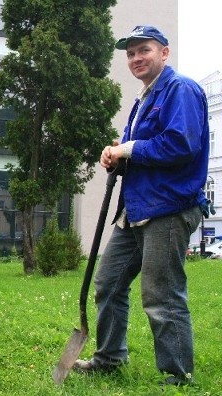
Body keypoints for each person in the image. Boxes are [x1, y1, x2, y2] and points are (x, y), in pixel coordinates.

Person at [73, 26, 209, 386]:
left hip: (168, 208)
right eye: (130, 53)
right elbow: (141, 148)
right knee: (108, 283)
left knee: (161, 294)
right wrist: (116, 153)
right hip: (135, 209)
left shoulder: (180, 89)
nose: (136, 58)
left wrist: (129, 149)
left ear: (164, 53)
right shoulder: (144, 98)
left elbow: (182, 145)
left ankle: (178, 376)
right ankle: (110, 358)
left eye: (143, 50)